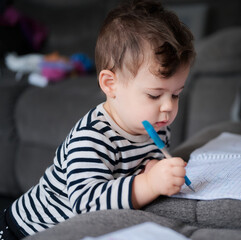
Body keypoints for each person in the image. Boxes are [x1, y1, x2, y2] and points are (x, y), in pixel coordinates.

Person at [0, 0, 195, 239]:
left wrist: (154, 168)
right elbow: (88, 205)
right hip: (25, 230)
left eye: (176, 94)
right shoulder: (92, 137)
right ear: (110, 85)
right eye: (154, 95)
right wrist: (149, 184)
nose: (168, 107)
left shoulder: (157, 126)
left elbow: (139, 168)